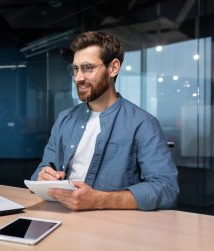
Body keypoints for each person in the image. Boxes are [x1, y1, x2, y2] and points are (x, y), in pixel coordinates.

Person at [30, 31, 179, 211]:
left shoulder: (143, 124)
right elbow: (40, 171)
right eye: (76, 69)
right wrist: (43, 176)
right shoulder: (64, 119)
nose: (78, 78)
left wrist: (99, 200)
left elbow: (166, 188)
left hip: (112, 226)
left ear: (113, 68)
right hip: (61, 215)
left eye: (87, 68)